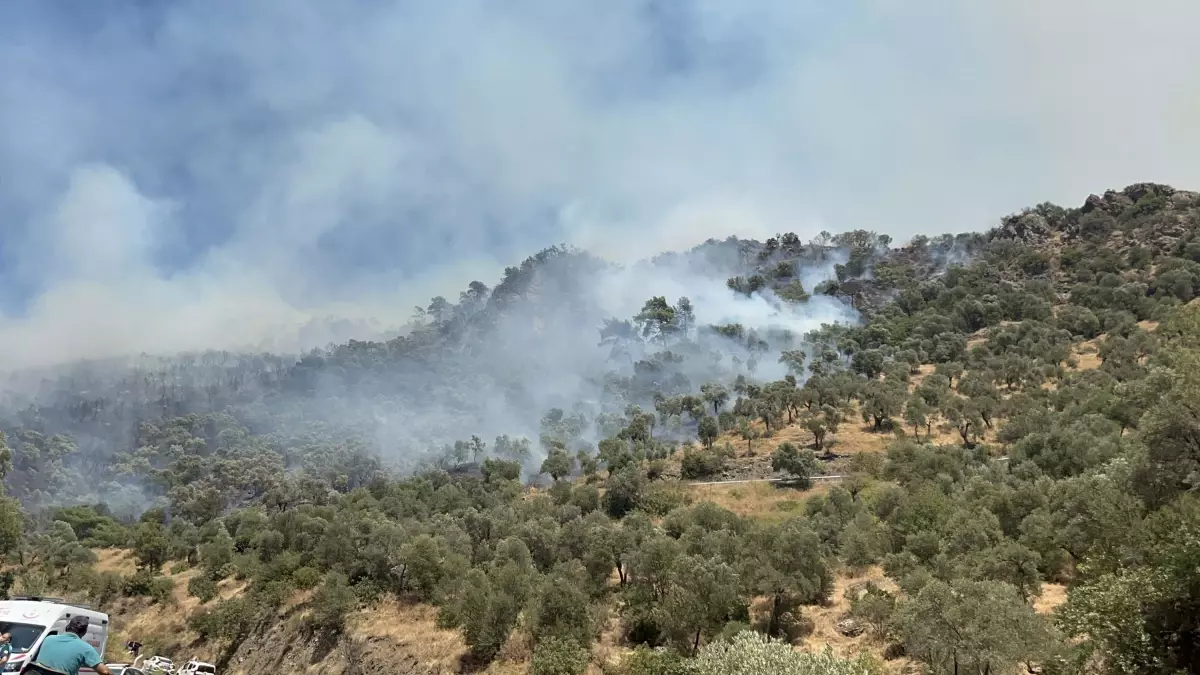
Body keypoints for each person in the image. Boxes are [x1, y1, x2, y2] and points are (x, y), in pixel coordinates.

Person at [23, 616, 111, 675]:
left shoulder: (48, 639)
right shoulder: (86, 648)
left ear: (67, 627)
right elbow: (105, 672)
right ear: (84, 632)